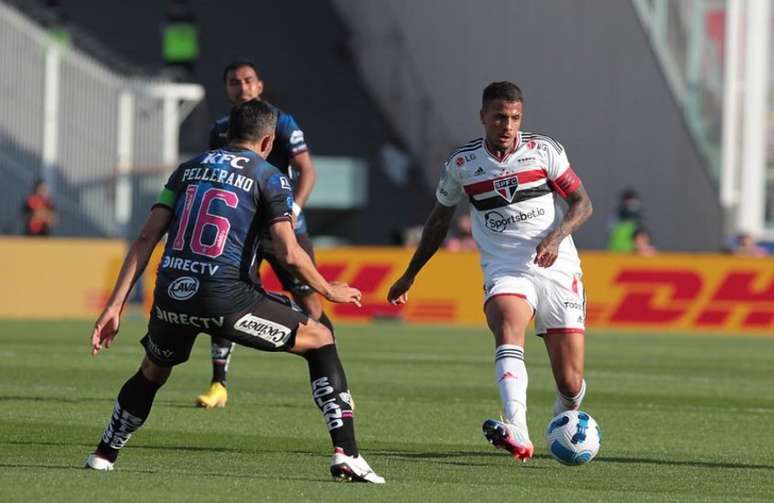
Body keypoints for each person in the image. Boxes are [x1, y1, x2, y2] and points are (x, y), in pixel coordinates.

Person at [84, 100, 384, 483]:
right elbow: (289, 251)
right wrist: (327, 289)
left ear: (227, 133)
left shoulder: (187, 169)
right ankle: (348, 453)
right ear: (267, 141)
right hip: (224, 298)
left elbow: (146, 236)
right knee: (321, 339)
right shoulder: (270, 175)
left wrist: (115, 306)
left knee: (152, 371)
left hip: (172, 293)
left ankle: (104, 453)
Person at [387, 82, 593, 462]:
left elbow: (582, 204)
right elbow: (437, 222)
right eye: (500, 117)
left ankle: (566, 415)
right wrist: (410, 273)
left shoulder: (544, 151)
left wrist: (556, 237)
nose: (508, 125)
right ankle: (518, 429)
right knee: (506, 321)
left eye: (515, 117)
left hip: (557, 265)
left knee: (570, 380)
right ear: (483, 117)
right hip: (506, 267)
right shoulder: (462, 165)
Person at [197, 59, 330, 409]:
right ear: (226, 89)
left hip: (285, 228)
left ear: (259, 85)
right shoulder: (221, 128)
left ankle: (332, 380)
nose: (241, 88)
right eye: (234, 83)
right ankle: (218, 383)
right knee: (225, 296)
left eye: (247, 81)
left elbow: (307, 170)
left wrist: (293, 211)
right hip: (243, 232)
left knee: (311, 301)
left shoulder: (281, 122)